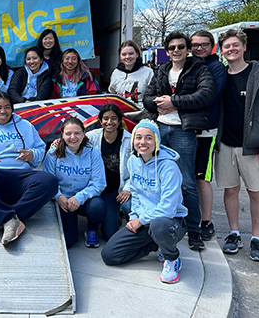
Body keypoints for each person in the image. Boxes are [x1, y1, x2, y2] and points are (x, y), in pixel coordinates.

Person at [215, 29, 259, 262]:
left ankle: (256, 238)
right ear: (221, 50)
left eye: (235, 45)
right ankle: (234, 234)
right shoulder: (220, 76)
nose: (231, 49)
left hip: (254, 146)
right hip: (225, 144)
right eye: (226, 46)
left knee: (256, 192)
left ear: (244, 47)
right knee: (230, 190)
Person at [143, 31, 214, 252]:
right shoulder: (161, 70)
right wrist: (158, 103)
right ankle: (156, 225)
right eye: (172, 47)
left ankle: (193, 230)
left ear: (187, 48)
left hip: (183, 131)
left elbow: (205, 95)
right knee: (156, 178)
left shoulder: (199, 68)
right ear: (167, 49)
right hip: (159, 128)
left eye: (181, 47)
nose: (176, 51)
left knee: (187, 182)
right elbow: (146, 97)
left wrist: (174, 102)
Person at [0, 92, 58, 246]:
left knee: (50, 181)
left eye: (7, 107)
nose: (3, 111)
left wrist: (32, 155)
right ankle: (9, 219)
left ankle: (3, 216)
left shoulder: (26, 126)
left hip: (22, 178)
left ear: (12, 109)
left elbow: (41, 149)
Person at [101, 119, 188, 285]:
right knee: (110, 255)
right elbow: (136, 193)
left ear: (156, 140)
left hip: (170, 221)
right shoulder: (133, 161)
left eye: (149, 138)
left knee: (159, 226)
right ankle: (155, 245)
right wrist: (134, 217)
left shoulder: (169, 167)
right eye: (138, 137)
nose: (143, 142)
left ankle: (172, 258)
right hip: (144, 220)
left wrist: (140, 221)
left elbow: (168, 209)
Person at [43, 117, 106, 248]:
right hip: (63, 200)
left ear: (84, 134)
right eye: (68, 133)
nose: (73, 137)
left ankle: (91, 229)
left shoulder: (93, 153)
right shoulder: (53, 152)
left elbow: (99, 183)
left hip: (84, 200)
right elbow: (48, 180)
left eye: (77, 133)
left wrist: (79, 198)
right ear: (62, 135)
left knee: (98, 206)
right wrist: (58, 196)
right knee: (70, 241)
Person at [190, 30, 226, 242]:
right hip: (184, 131)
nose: (199, 48)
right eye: (195, 44)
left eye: (204, 44)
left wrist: (181, 101)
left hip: (206, 131)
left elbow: (209, 96)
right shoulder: (188, 65)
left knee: (202, 178)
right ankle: (187, 217)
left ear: (212, 46)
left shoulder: (216, 67)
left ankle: (206, 221)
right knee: (184, 177)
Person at [87, 104, 133, 241]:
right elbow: (72, 141)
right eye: (105, 118)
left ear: (119, 121)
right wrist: (58, 142)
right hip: (99, 190)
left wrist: (128, 188)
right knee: (98, 211)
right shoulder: (91, 137)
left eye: (113, 118)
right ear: (100, 121)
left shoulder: (130, 140)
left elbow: (138, 169)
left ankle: (131, 226)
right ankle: (96, 224)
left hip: (117, 192)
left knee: (109, 235)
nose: (109, 122)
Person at [108, 40, 154, 113]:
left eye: (131, 53)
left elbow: (152, 95)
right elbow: (112, 93)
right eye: (124, 54)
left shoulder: (148, 72)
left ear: (137, 54)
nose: (127, 57)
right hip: (121, 114)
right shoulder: (116, 73)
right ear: (120, 56)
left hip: (141, 115)